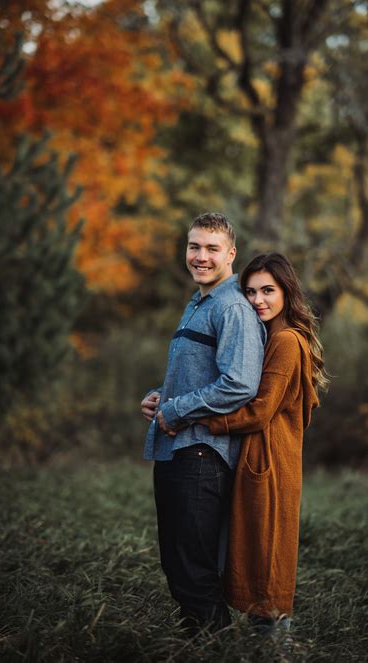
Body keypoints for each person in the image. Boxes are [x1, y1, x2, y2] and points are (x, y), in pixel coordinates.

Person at [169, 252, 328, 633]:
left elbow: (258, 410)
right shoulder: (274, 336)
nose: (258, 300)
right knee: (256, 554)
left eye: (268, 291)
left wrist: (201, 419)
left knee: (267, 558)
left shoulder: (287, 341)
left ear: (287, 293)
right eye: (251, 291)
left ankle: (275, 649)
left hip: (271, 462)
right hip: (266, 457)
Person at [141, 213, 266, 634]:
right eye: (194, 246)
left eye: (212, 248)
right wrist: (162, 394)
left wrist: (176, 411)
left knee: (193, 569)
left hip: (202, 455)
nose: (201, 256)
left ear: (231, 254)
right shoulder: (199, 302)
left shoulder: (232, 307)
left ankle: (214, 646)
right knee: (179, 563)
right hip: (181, 449)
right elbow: (202, 373)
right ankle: (196, 642)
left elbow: (239, 384)